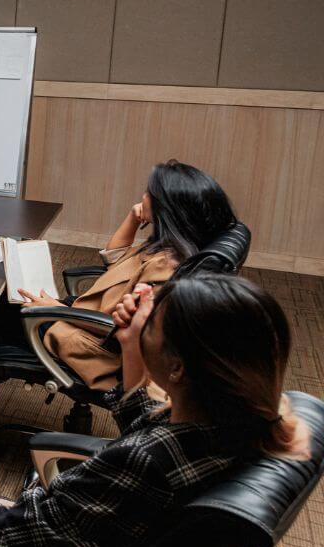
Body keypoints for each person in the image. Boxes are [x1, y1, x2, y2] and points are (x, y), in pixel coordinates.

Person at [0, 273, 310, 547]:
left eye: (155, 322)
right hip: (79, 545)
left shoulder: (142, 462)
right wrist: (131, 344)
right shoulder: (244, 423)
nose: (144, 318)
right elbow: (145, 421)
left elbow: (7, 539)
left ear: (177, 370)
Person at [19, 160, 237, 391]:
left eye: (148, 193)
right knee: (16, 302)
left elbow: (127, 329)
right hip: (89, 317)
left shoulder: (166, 267)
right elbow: (114, 257)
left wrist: (56, 308)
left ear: (167, 209)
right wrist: (133, 218)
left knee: (1, 315)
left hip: (97, 345)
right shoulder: (174, 245)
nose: (142, 197)